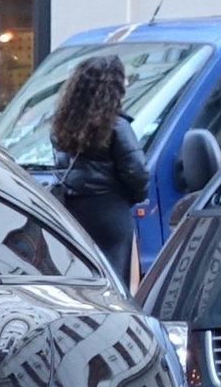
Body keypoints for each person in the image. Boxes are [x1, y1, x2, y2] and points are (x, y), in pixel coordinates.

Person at [49, 52, 152, 285]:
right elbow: (136, 172)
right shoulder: (118, 126)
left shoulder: (63, 124)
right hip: (110, 212)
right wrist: (132, 197)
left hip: (73, 211)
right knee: (117, 283)